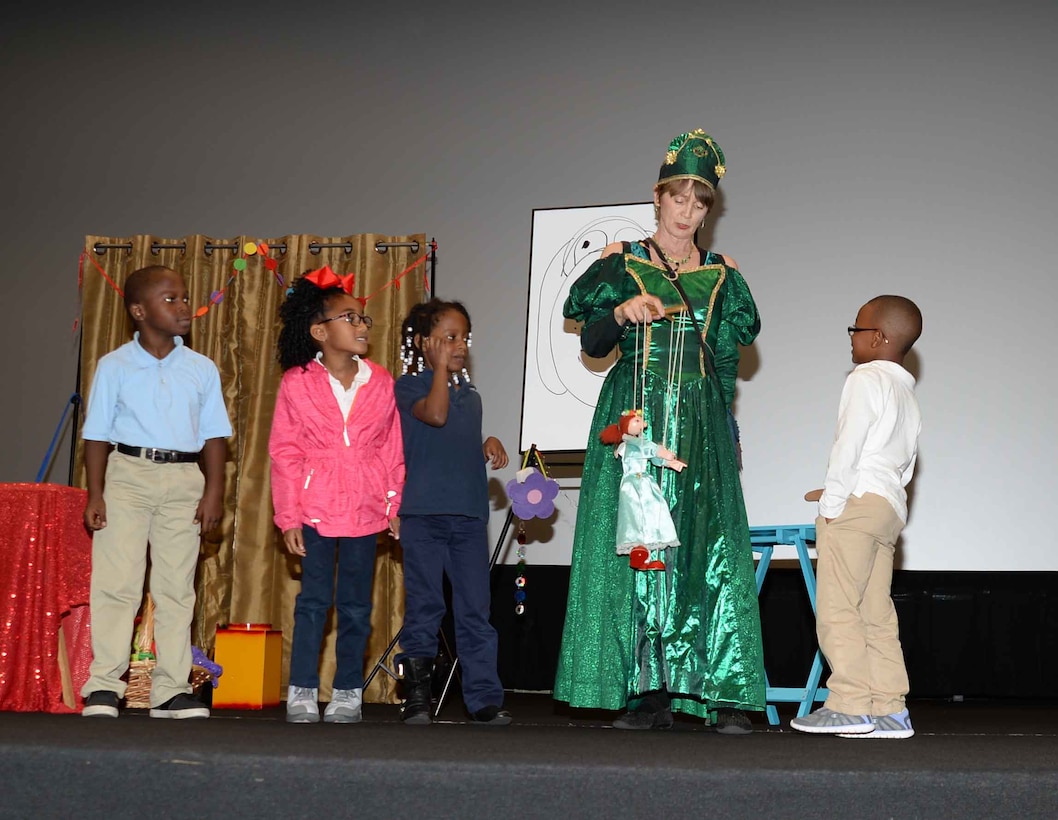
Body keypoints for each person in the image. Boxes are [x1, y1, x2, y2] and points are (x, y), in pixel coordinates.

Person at [553, 130, 765, 734]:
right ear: (658, 197)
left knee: (705, 550)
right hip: (635, 415)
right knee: (640, 547)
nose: (688, 211)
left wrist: (728, 427)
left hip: (698, 424)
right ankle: (645, 692)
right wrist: (620, 312)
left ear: (709, 209)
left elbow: (725, 361)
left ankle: (718, 689)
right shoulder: (622, 262)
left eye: (700, 202)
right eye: (680, 198)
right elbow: (593, 341)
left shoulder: (724, 277)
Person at [80, 265, 232, 719]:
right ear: (138, 311)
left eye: (185, 298)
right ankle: (104, 685)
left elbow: (215, 438)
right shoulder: (115, 365)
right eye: (171, 300)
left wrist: (214, 493)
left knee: (176, 588)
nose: (184, 307)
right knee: (116, 583)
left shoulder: (201, 369)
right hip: (126, 474)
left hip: (185, 479)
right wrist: (95, 493)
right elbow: (96, 435)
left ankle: (171, 689)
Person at [269, 268, 404, 724]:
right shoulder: (297, 382)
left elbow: (390, 448)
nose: (363, 325)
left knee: (356, 607)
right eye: (351, 317)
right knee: (312, 603)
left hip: (366, 511)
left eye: (364, 318)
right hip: (315, 510)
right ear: (320, 331)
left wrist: (392, 505)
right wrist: (288, 516)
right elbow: (285, 452)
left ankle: (348, 692)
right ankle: (302, 689)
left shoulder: (381, 381)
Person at [790, 295, 923, 739]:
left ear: (879, 337)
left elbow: (847, 447)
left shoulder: (865, 379)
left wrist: (832, 505)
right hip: (887, 509)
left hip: (854, 505)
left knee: (838, 608)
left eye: (857, 330)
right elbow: (902, 465)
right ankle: (890, 709)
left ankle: (848, 703)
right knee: (876, 612)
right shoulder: (906, 392)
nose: (852, 338)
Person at [394, 298, 512, 726]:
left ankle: (483, 698)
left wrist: (486, 444)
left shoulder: (471, 396)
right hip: (424, 514)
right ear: (424, 343)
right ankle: (418, 698)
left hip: (467, 515)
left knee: (475, 610)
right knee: (425, 606)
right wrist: (441, 368)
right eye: (449, 337)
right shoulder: (408, 387)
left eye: (463, 338)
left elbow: (453, 440)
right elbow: (436, 417)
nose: (460, 345)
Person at [599, 409, 685, 571]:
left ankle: (647, 556)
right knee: (634, 516)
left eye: (640, 421)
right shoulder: (628, 444)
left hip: (646, 482)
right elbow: (648, 448)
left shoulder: (641, 443)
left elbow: (653, 458)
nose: (641, 424)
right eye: (636, 421)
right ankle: (638, 550)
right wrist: (662, 452)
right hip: (632, 483)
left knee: (653, 512)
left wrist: (671, 463)